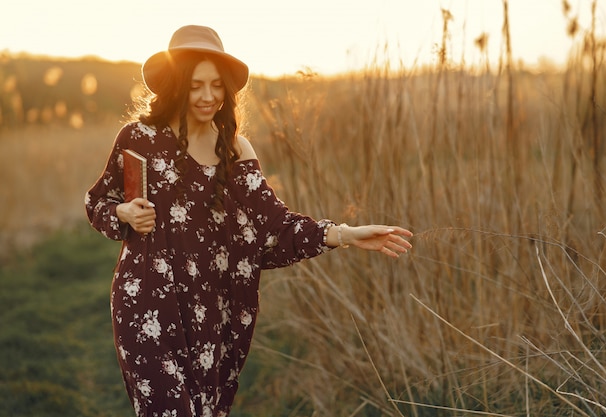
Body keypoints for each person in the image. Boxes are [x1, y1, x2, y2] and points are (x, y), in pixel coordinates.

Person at [85, 25, 412, 417]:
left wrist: (345, 234)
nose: (208, 96)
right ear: (176, 84)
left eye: (217, 85)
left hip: (210, 313)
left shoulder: (236, 150)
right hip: (146, 305)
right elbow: (97, 202)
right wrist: (122, 213)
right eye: (195, 85)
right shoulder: (138, 137)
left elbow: (273, 227)